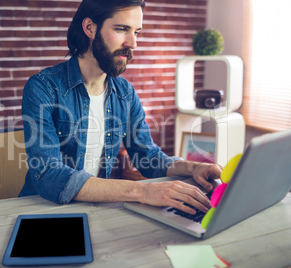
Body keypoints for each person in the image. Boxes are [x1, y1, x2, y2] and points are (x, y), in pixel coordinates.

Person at [20, 0, 222, 215]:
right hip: (41, 211)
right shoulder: (44, 87)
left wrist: (193, 168)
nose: (132, 43)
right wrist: (143, 192)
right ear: (90, 28)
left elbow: (148, 157)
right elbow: (50, 176)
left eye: (137, 32)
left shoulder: (125, 92)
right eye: (121, 29)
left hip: (93, 210)